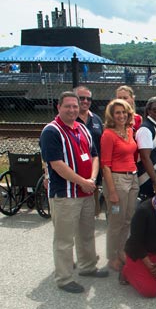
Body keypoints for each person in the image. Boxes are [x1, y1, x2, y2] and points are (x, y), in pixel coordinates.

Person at [40, 91, 108, 293]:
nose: (72, 110)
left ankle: (87, 267)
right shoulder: (51, 131)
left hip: (86, 192)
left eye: (75, 106)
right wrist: (82, 182)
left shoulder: (82, 129)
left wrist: (92, 179)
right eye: (67, 106)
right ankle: (64, 278)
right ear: (58, 107)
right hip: (65, 194)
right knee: (64, 239)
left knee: (86, 233)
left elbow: (95, 155)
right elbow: (57, 165)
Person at [101, 99, 139, 272]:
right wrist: (112, 191)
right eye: (117, 112)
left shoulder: (130, 131)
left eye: (124, 112)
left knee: (128, 220)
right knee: (116, 221)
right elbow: (106, 165)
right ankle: (112, 256)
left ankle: (122, 250)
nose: (121, 116)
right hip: (117, 179)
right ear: (112, 115)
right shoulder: (108, 135)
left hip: (132, 178)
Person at [74, 86, 104, 215]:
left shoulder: (96, 119)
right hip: (75, 170)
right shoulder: (69, 118)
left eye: (88, 99)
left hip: (94, 169)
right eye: (82, 98)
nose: (85, 101)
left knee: (92, 209)